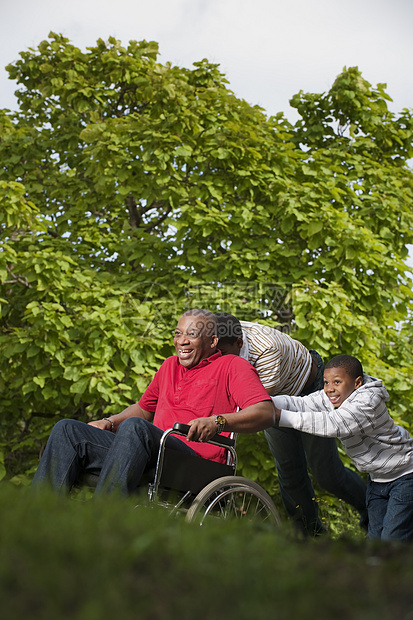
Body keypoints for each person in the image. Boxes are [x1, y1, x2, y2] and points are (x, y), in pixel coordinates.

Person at [32, 309, 274, 495]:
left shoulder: (233, 366)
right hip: (149, 453)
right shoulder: (169, 365)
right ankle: (39, 520)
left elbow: (265, 412)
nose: (182, 341)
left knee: (136, 428)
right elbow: (144, 409)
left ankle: (101, 522)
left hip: (195, 462)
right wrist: (110, 420)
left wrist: (218, 421)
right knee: (68, 429)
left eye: (192, 335)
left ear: (212, 342)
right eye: (178, 334)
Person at [215, 312, 367, 536]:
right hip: (274, 401)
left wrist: (216, 424)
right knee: (289, 472)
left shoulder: (266, 351)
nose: (218, 360)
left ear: (239, 343)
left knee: (326, 473)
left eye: (224, 354)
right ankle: (309, 536)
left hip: (307, 391)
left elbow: (254, 410)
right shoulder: (215, 337)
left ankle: (375, 511)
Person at [271, 354, 413, 541]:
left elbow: (334, 424)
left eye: (337, 382)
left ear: (357, 383)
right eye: (326, 382)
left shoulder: (367, 402)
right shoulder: (336, 395)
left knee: (392, 540)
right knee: (376, 541)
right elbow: (301, 403)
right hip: (377, 481)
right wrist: (263, 402)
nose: (330, 389)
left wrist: (278, 416)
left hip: (404, 477)